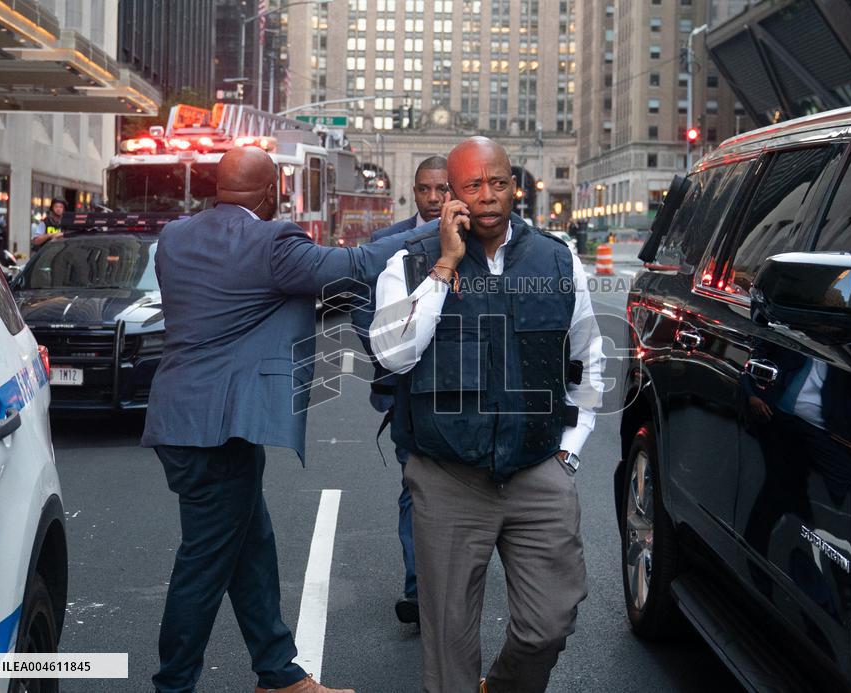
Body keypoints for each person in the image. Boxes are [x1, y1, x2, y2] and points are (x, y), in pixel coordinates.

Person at [140, 147, 416, 693]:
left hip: (184, 418)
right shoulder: (272, 243)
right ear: (272, 194)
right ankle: (173, 685)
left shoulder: (174, 236)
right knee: (204, 565)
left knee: (252, 548)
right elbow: (357, 266)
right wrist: (427, 230)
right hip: (218, 431)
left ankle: (278, 673)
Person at [370, 137, 604, 692]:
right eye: (472, 185)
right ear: (450, 196)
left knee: (548, 624)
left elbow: (590, 357)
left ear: (514, 187)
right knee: (449, 644)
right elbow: (393, 354)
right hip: (447, 475)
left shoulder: (557, 258)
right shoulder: (410, 262)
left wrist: (571, 450)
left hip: (537, 468)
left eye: (498, 182)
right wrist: (446, 265)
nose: (488, 195)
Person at [351, 155, 448, 626]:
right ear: (413, 192)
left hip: (462, 396)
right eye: (424, 189)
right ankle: (419, 589)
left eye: (442, 189)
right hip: (407, 391)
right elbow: (361, 311)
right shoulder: (387, 243)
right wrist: (387, 363)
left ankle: (450, 581)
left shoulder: (479, 241)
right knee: (416, 486)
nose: (433, 198)